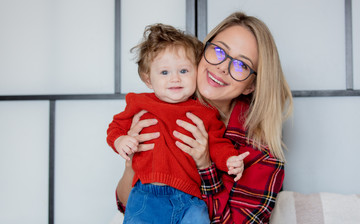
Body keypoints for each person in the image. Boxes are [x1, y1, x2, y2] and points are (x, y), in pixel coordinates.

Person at [114, 12, 293, 223]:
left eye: (241, 65)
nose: (222, 67)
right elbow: (128, 206)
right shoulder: (165, 103)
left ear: (251, 85)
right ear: (202, 51)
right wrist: (131, 165)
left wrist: (205, 165)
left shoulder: (261, 153)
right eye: (218, 51)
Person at [107, 23, 250, 223]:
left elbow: (217, 144)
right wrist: (120, 140)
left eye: (183, 71)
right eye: (164, 73)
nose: (175, 79)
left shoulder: (205, 113)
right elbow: (116, 126)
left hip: (191, 199)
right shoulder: (140, 103)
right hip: (147, 194)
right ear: (149, 80)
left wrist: (230, 160)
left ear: (196, 72)